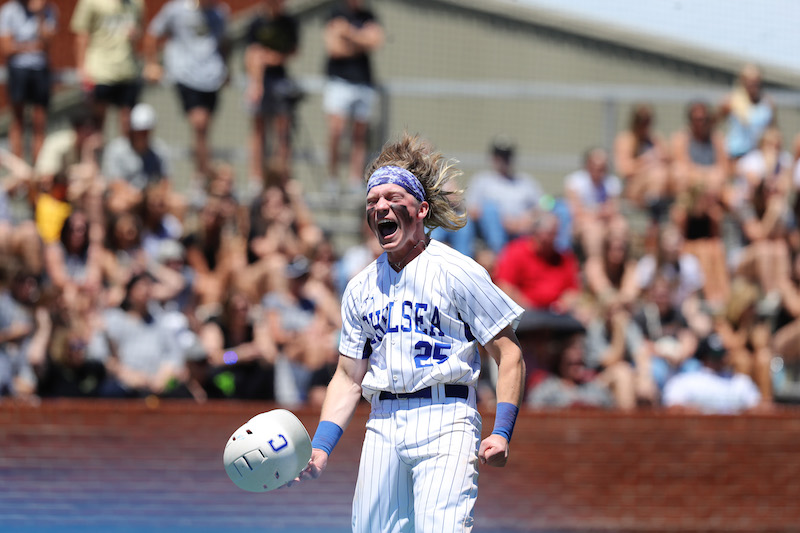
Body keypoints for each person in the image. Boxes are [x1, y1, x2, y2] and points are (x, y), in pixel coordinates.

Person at [293, 134, 526, 533]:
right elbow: (349, 377)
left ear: (420, 209)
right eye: (372, 201)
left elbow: (510, 354)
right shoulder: (360, 286)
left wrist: (502, 431)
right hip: (382, 420)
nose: (380, 206)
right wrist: (321, 446)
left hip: (447, 416)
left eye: (391, 197)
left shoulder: (457, 270)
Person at [144, 0, 230, 178]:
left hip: (211, 78)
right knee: (200, 124)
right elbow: (152, 34)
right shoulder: (176, 10)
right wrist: (151, 64)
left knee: (204, 129)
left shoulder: (221, 12)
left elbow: (223, 43)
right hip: (186, 77)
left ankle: (203, 175)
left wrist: (226, 68)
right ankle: (203, 176)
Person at [322, 0, 384, 190]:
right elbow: (334, 48)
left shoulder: (369, 16)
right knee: (336, 132)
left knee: (359, 135)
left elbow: (376, 41)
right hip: (339, 81)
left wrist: (348, 33)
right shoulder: (335, 13)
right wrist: (361, 40)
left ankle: (354, 179)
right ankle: (332, 178)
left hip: (363, 82)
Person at [244, 0, 300, 188]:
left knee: (283, 132)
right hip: (259, 81)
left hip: (280, 80)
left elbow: (291, 51)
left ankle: (282, 176)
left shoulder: (288, 22)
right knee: (259, 132)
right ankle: (256, 177)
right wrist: (256, 81)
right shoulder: (256, 22)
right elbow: (251, 54)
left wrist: (269, 57)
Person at [70, 0, 145, 135]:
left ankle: (123, 154)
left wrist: (135, 34)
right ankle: (96, 155)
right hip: (100, 71)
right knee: (97, 123)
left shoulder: (136, 3)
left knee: (127, 121)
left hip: (127, 70)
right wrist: (81, 69)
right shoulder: (90, 2)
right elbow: (81, 36)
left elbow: (140, 30)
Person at [463, 137, 543, 255]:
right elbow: (470, 210)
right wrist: (503, 221)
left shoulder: (525, 182)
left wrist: (529, 218)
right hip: (491, 232)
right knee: (490, 209)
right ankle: (499, 255)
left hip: (523, 231)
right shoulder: (482, 180)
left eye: (506, 156)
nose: (503, 160)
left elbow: (547, 203)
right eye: (499, 156)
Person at [0, 0, 57, 163]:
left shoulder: (48, 11)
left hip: (41, 70)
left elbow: (47, 43)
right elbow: (7, 48)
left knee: (39, 122)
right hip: (18, 71)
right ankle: (19, 169)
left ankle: (38, 172)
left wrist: (39, 15)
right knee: (18, 121)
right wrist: (33, 46)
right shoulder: (8, 11)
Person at [662, 333, 761, 414]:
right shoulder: (685, 381)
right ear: (704, 357)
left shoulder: (741, 382)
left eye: (721, 356)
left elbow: (758, 409)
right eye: (712, 358)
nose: (718, 361)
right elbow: (672, 407)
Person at [101, 102, 172, 214]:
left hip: (153, 197)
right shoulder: (116, 149)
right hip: (127, 195)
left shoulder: (160, 150)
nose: (143, 135)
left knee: (177, 204)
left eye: (146, 131)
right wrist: (137, 197)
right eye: (140, 131)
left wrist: (156, 196)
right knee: (118, 204)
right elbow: (114, 183)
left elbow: (166, 181)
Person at [563, 147, 624, 258]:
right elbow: (577, 212)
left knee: (620, 225)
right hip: (582, 224)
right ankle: (595, 266)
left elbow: (613, 209)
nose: (599, 169)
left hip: (604, 221)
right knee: (593, 231)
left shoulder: (612, 182)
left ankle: (616, 265)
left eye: (603, 166)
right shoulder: (575, 182)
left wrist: (595, 214)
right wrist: (599, 213)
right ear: (588, 165)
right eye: (596, 165)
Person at [719, 63, 776, 162]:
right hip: (735, 156)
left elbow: (773, 131)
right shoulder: (731, 101)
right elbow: (714, 125)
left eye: (756, 82)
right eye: (750, 81)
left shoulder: (768, 103)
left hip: (759, 156)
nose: (753, 85)